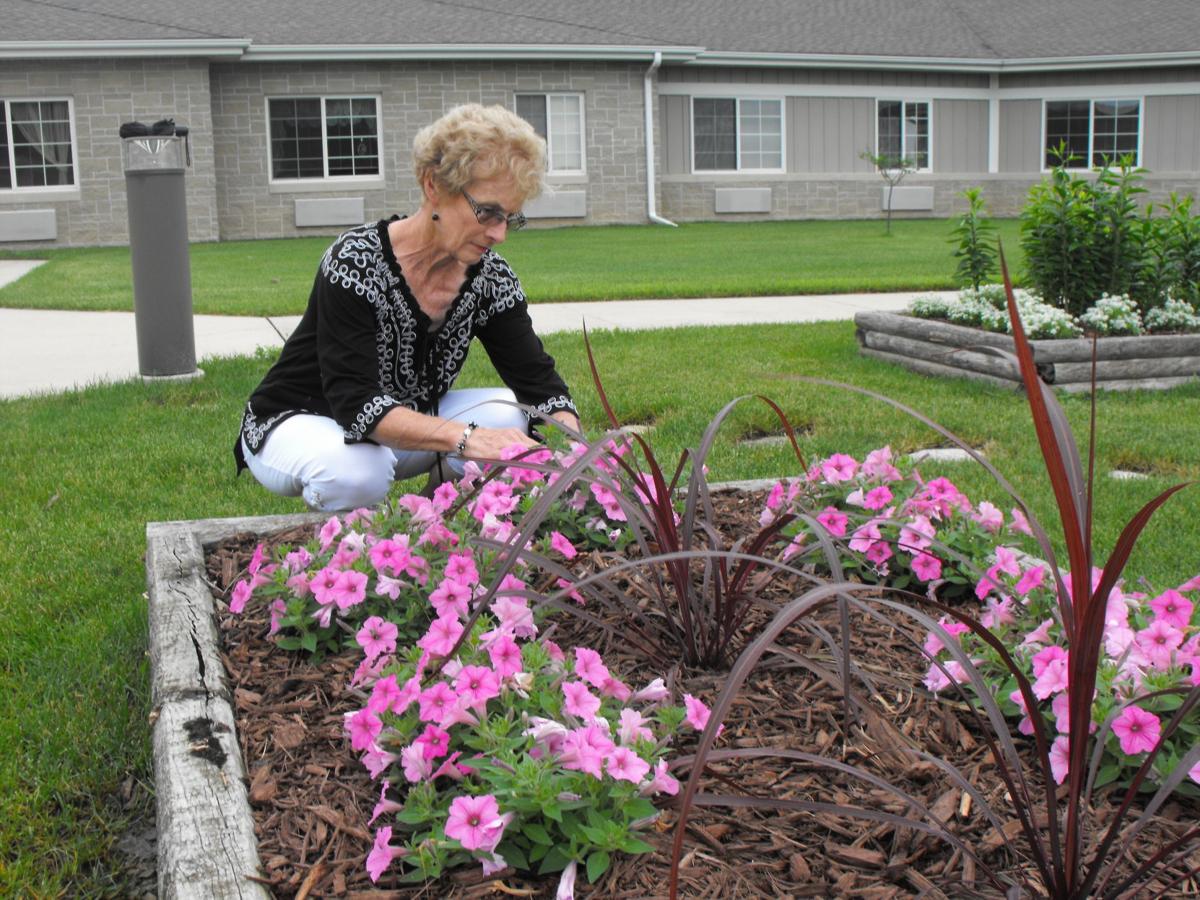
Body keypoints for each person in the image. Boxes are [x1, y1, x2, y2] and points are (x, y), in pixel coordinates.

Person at [234, 103, 580, 511]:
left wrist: (579, 453)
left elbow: (537, 382)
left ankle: (445, 528)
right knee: (358, 469)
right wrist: (469, 437)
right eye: (487, 212)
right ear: (433, 185)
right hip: (299, 421)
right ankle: (350, 555)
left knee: (508, 413)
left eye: (511, 217)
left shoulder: (490, 277)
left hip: (402, 423)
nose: (500, 233)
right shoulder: (356, 262)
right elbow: (356, 403)